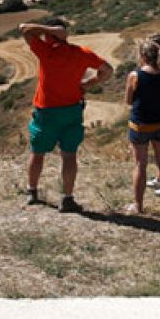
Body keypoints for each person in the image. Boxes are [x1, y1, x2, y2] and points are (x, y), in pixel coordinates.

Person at [20, 18, 112, 213]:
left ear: (48, 35)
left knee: (37, 154)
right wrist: (88, 84)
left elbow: (24, 29)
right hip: (72, 110)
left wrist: (49, 30)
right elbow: (107, 70)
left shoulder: (46, 52)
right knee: (69, 156)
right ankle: (67, 198)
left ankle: (32, 193)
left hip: (47, 112)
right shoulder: (82, 53)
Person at [124, 35, 160, 214]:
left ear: (143, 55)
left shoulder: (135, 75)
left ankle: (138, 205)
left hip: (140, 125)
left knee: (140, 164)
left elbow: (128, 101)